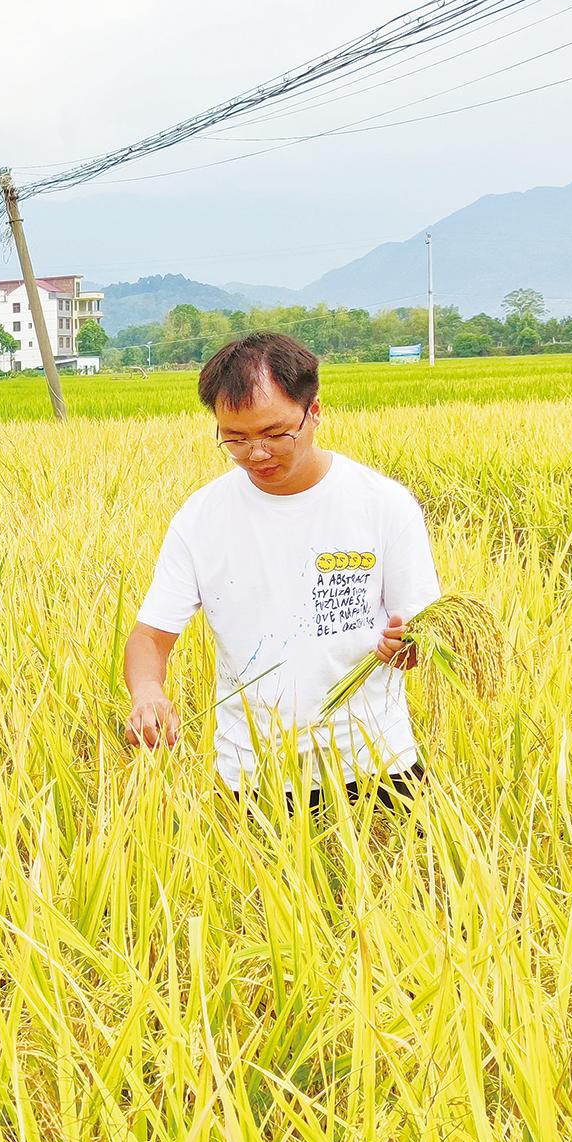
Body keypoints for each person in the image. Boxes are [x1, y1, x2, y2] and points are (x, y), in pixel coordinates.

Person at [123, 331, 441, 807]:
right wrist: (148, 691)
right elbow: (151, 637)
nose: (257, 454)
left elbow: (423, 630)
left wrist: (410, 646)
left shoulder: (383, 505)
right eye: (235, 438)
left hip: (378, 762)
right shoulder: (202, 517)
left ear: (314, 412)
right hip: (254, 774)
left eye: (275, 434)